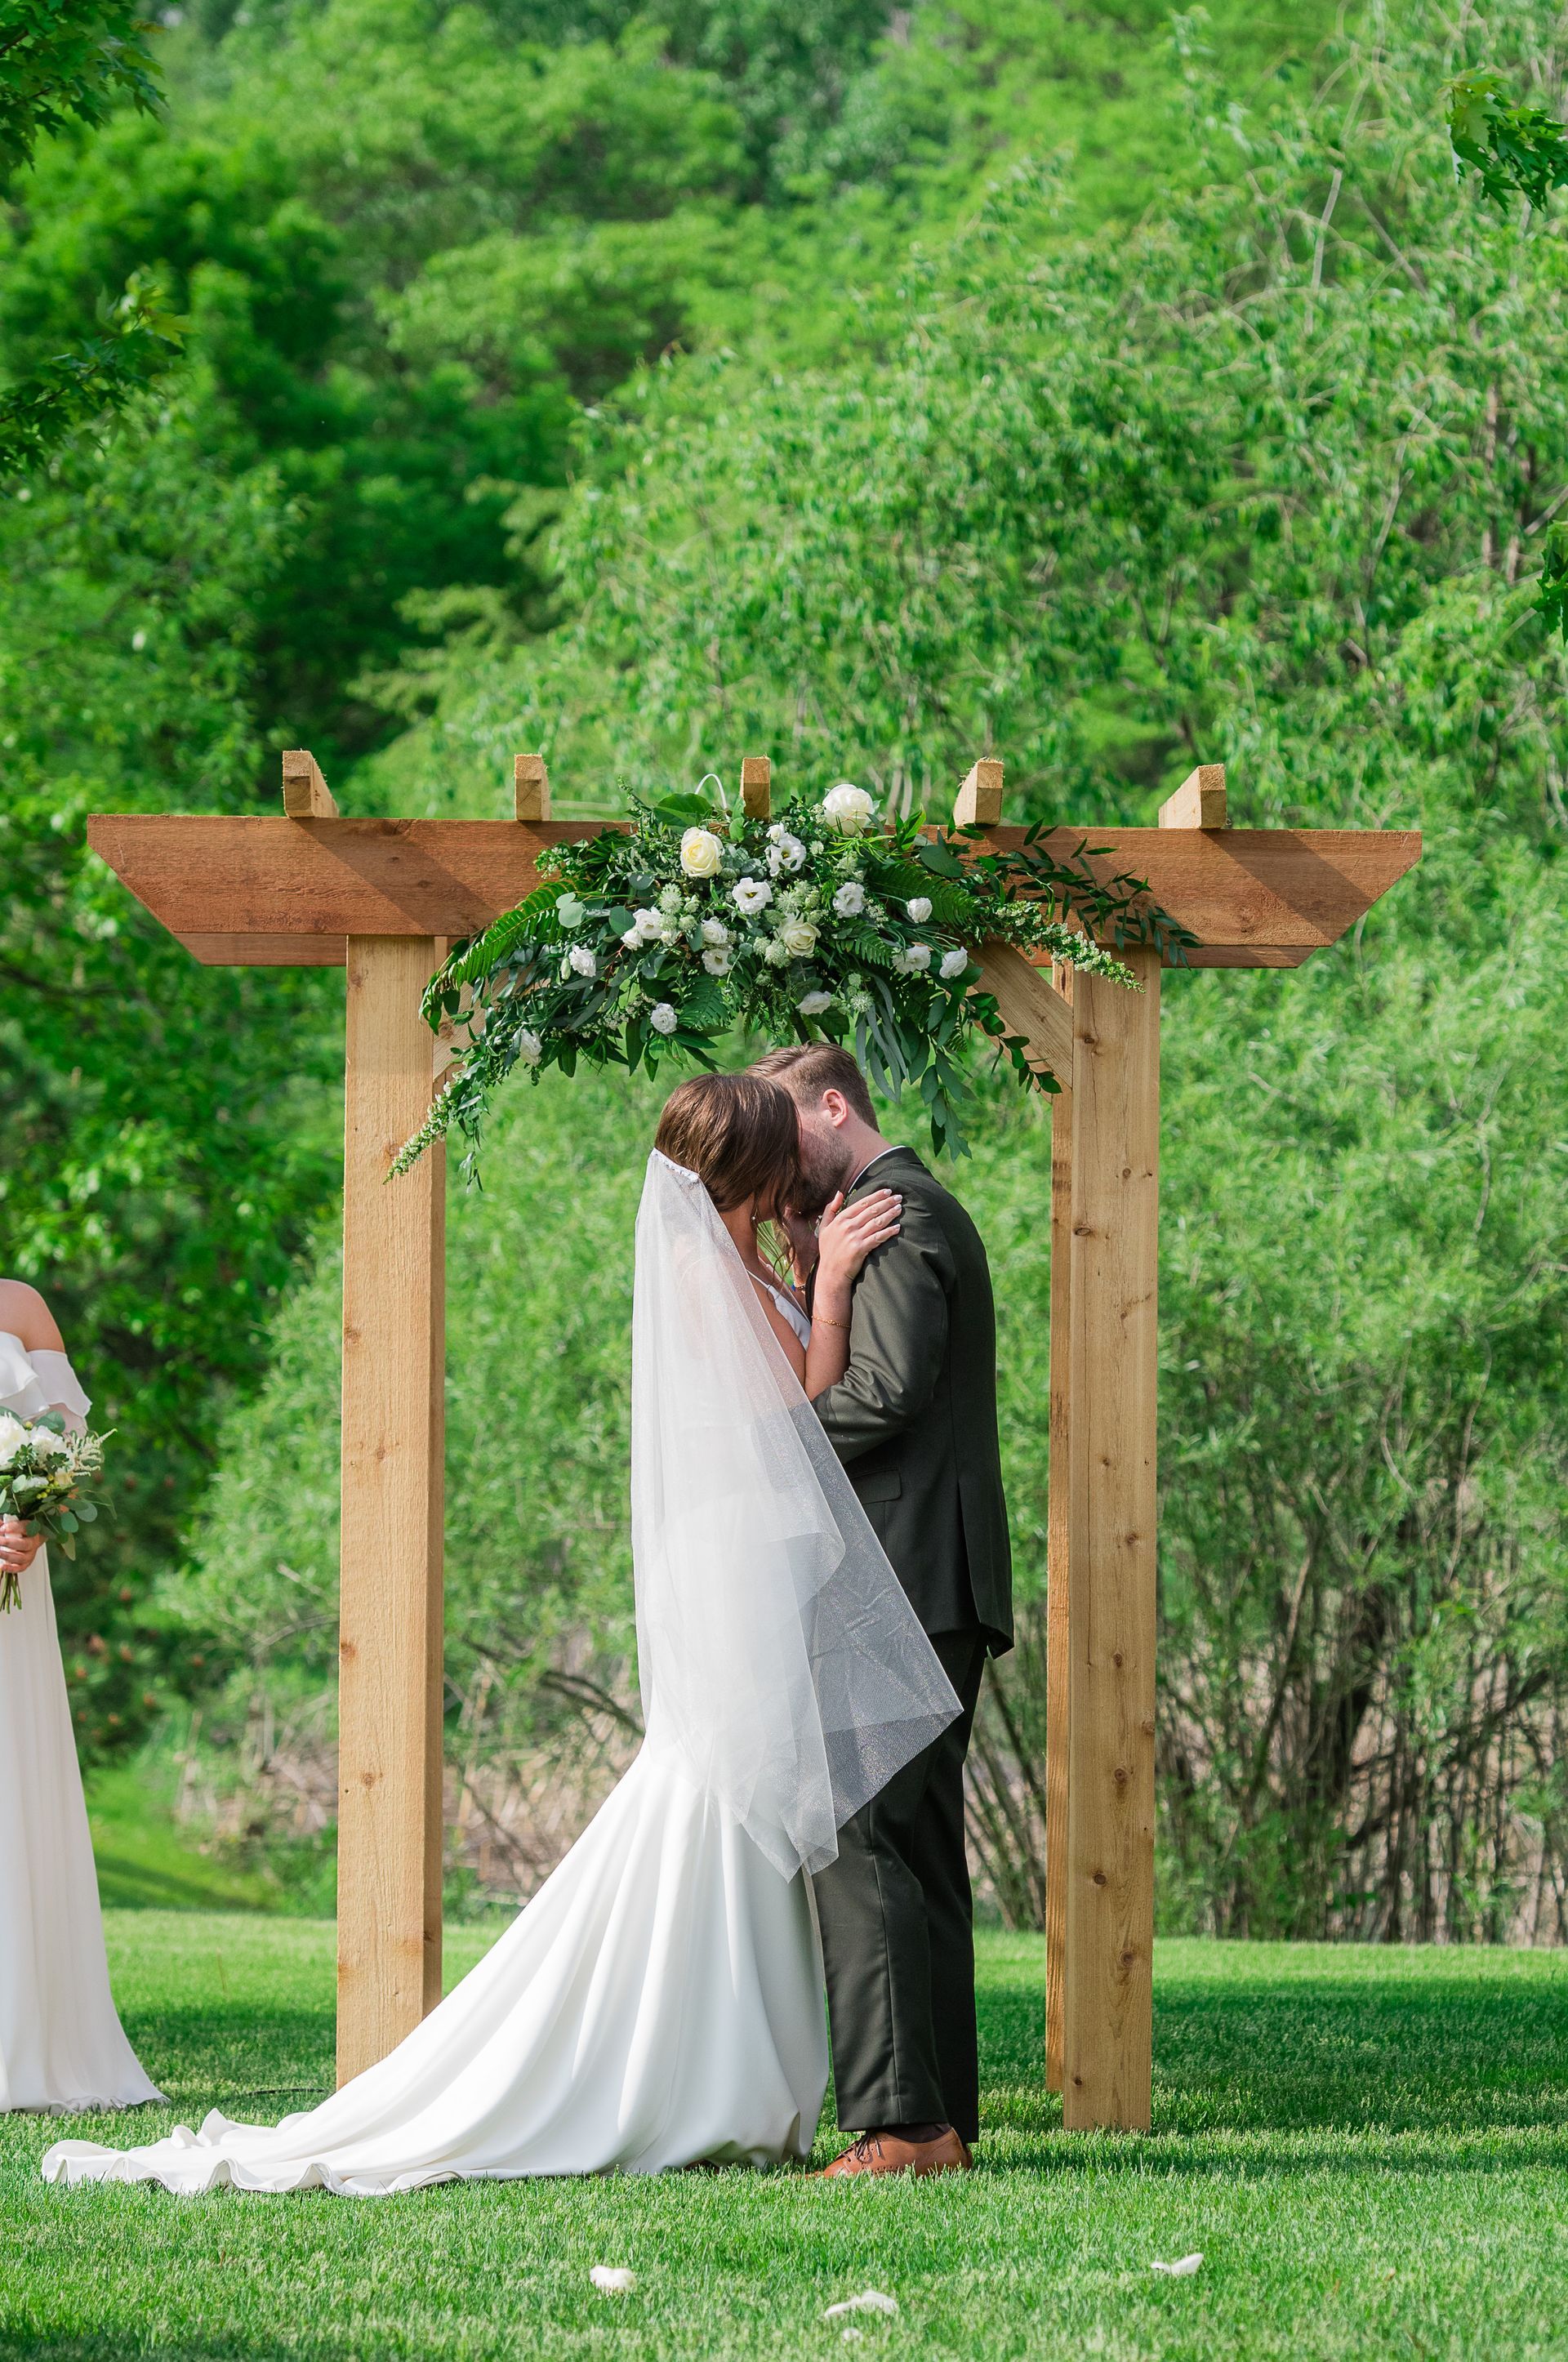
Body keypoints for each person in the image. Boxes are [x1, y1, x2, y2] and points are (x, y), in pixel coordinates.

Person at [43, 1074, 959, 2195]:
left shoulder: (730, 1263)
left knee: (743, 1820)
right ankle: (699, 2081)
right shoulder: (703, 1273)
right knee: (723, 1815)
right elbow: (800, 1421)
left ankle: (752, 2082)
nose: (793, 1194)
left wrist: (812, 1274)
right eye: (780, 1175)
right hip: (758, 1573)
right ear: (757, 1172)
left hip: (762, 1571)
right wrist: (831, 1298)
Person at [751, 1044, 1012, 2179]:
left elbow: (890, 1393)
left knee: (857, 1836)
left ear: (835, 1106)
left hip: (905, 1578)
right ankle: (941, 2118)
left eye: (784, 1131)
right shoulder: (885, 1216)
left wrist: (758, 1449)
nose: (774, 1160)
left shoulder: (896, 1215)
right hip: (929, 1579)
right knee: (910, 1844)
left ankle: (904, 2128)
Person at [0, 1278, 163, 2115]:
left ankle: (31, 2036)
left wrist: (30, 1514)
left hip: (13, 1593)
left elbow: (67, 1436)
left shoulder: (20, 1306)